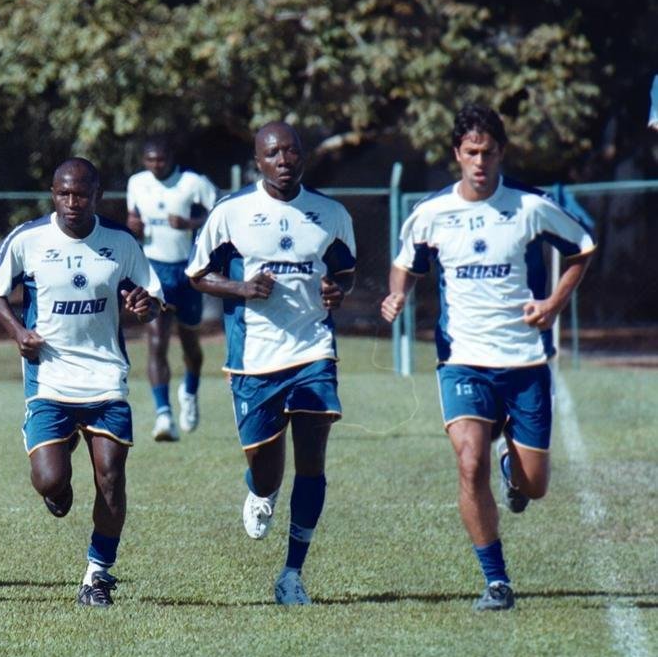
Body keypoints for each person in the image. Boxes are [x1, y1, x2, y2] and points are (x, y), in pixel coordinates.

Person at [381, 104, 595, 611]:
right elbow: (404, 263)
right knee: (468, 459)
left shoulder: (530, 206)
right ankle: (496, 581)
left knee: (535, 486)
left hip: (523, 362)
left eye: (489, 152)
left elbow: (582, 248)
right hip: (463, 359)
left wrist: (553, 304)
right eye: (471, 152)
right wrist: (398, 296)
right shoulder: (432, 213)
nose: (480, 161)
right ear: (457, 154)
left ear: (502, 152)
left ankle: (513, 467)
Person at [0, 158, 163, 608]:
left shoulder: (120, 242)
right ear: (53, 195)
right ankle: (58, 479)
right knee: (49, 482)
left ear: (97, 195)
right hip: (50, 378)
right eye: (63, 194)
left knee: (112, 478)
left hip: (105, 376)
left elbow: (153, 298)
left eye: (81, 194)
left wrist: (144, 307)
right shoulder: (30, 238)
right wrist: (18, 332)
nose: (72, 203)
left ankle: (98, 574)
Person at [186, 121, 356, 605]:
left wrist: (335, 291)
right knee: (266, 471)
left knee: (312, 461)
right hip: (254, 359)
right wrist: (241, 288)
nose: (284, 160)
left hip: (312, 351)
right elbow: (198, 274)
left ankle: (292, 576)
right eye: (273, 153)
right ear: (257, 162)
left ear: (303, 157)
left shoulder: (330, 214)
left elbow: (344, 273)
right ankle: (260, 492)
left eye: (292, 151)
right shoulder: (232, 212)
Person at [126, 136, 218, 441]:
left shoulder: (192, 182)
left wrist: (190, 223)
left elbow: (218, 213)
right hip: (153, 269)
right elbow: (132, 217)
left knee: (190, 343)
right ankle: (163, 415)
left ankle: (189, 391)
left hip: (187, 270)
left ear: (171, 157)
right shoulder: (137, 183)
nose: (155, 165)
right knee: (156, 340)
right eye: (150, 160)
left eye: (160, 160)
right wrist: (133, 226)